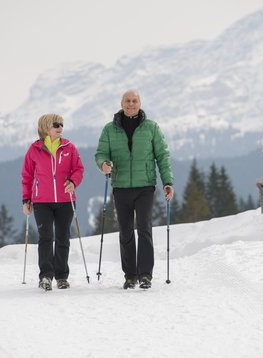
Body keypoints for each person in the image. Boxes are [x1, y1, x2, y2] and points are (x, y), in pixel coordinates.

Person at [95, 89, 174, 290]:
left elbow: (162, 156)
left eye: (135, 100)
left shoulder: (151, 128)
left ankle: (145, 274)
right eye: (128, 101)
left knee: (144, 229)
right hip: (120, 187)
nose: (131, 104)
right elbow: (101, 153)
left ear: (140, 103)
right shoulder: (109, 129)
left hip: (145, 186)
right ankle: (130, 275)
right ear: (121, 104)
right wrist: (104, 164)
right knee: (126, 231)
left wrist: (167, 182)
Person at [22, 113, 84, 291]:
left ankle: (62, 276)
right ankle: (46, 277)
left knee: (63, 237)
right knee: (46, 237)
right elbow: (27, 176)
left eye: (62, 124)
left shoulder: (69, 147)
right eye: (56, 124)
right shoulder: (34, 150)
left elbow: (79, 169)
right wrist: (26, 199)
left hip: (66, 200)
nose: (60, 127)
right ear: (46, 127)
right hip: (42, 201)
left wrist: (73, 181)